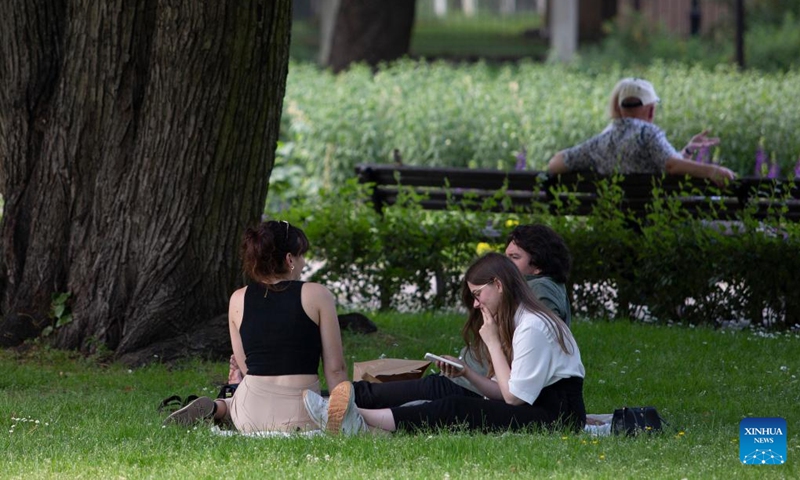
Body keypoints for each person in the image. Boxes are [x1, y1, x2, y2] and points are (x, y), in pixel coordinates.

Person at [305, 253, 586, 435]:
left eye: (478, 294)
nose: (476, 304)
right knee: (445, 388)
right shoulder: (521, 318)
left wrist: (492, 343)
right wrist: (467, 372)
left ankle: (358, 418)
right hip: (536, 405)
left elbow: (513, 398)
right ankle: (337, 400)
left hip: (557, 417)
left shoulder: (533, 325)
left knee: (456, 408)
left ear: (498, 285)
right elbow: (506, 393)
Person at [163, 220, 349, 433]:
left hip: (248, 416)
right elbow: (336, 369)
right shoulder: (318, 294)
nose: (304, 263)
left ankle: (219, 408)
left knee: (243, 395)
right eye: (301, 256)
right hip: (301, 416)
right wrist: (343, 414)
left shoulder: (237, 299)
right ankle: (219, 408)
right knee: (331, 402)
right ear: (290, 259)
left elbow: (245, 366)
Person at [547, 77, 735, 185]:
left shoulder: (600, 142)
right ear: (651, 108)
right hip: (654, 222)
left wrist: (686, 152)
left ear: (620, 108)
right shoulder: (649, 134)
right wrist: (713, 171)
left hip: (616, 221)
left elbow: (554, 164)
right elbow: (672, 166)